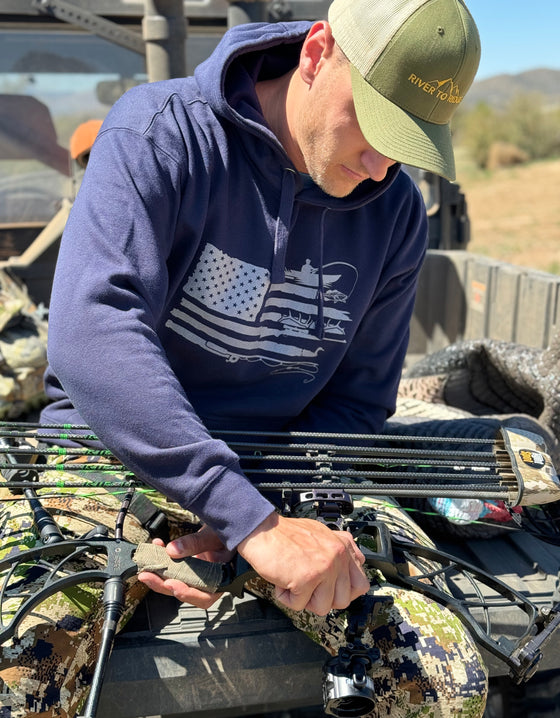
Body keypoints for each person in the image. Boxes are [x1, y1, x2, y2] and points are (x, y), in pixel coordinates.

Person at [1, 0, 487, 715]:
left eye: (410, 141)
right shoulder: (159, 134)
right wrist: (245, 521)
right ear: (318, 53)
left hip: (282, 476)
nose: (382, 162)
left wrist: (256, 521)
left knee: (443, 677)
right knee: (19, 664)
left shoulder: (395, 212)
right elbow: (94, 331)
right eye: (376, 124)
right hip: (112, 457)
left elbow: (356, 401)